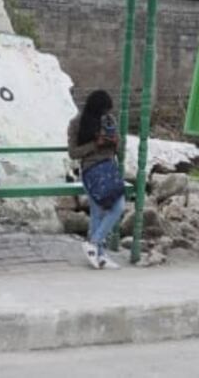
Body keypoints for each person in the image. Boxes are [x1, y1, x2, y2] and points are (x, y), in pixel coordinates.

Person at [67, 90, 126, 270]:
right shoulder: (77, 123)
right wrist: (96, 144)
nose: (106, 115)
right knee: (98, 212)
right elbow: (73, 153)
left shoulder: (109, 120)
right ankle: (98, 252)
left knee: (118, 207)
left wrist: (116, 142)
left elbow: (121, 149)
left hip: (109, 169)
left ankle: (95, 246)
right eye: (104, 111)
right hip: (91, 171)